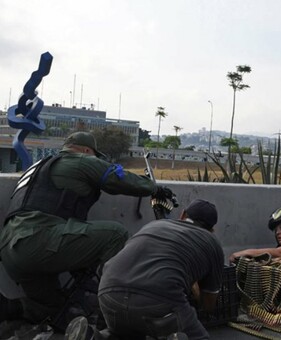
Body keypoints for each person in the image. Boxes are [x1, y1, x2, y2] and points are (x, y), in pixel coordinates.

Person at [0, 131, 173, 332]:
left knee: (54, 308)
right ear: (85, 150)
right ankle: (109, 310)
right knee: (115, 234)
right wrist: (154, 188)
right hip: (39, 239)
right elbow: (117, 178)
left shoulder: (37, 167)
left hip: (10, 250)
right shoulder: (81, 160)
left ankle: (11, 308)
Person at [65, 199, 224, 340]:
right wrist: (195, 293)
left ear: (182, 215)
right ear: (212, 230)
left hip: (109, 290)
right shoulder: (212, 242)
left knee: (125, 333)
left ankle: (94, 336)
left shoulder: (154, 225)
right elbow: (208, 304)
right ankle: (173, 334)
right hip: (159, 299)